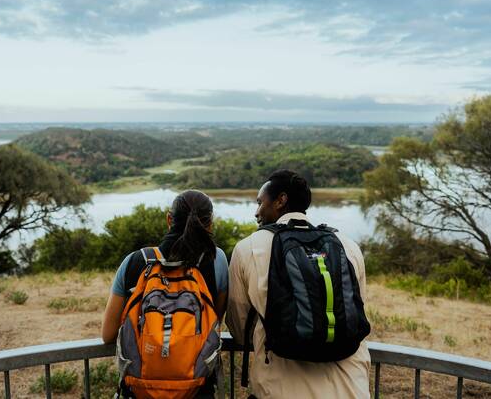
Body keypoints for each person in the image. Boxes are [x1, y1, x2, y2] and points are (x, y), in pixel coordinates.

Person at [226, 170, 371, 398]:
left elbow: (239, 326)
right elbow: (356, 314)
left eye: (260, 202)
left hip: (279, 388)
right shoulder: (347, 245)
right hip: (350, 388)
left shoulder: (249, 248)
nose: (257, 212)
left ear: (281, 201)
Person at [101, 190, 229, 398]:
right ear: (210, 224)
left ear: (169, 219)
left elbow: (108, 334)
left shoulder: (136, 262)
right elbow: (214, 322)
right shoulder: (217, 261)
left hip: (140, 391)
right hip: (197, 389)